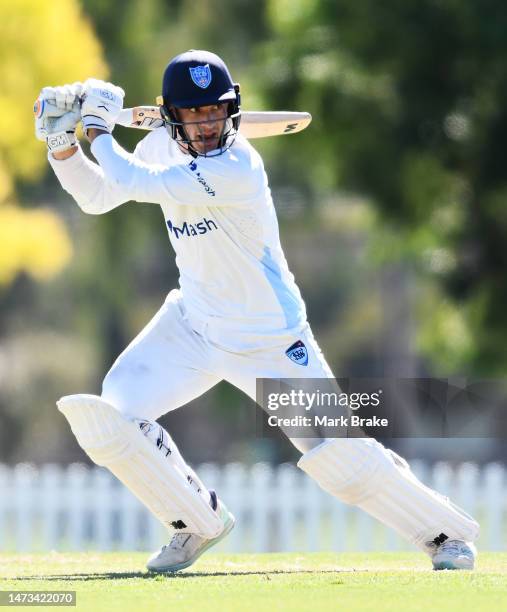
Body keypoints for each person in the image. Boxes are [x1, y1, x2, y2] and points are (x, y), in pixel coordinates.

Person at [35, 50, 479, 572]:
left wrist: (97, 127)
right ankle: (196, 523)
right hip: (192, 327)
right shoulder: (158, 146)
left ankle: (446, 536)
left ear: (232, 111)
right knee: (113, 416)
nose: (206, 125)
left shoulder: (239, 166)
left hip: (270, 340)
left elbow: (131, 180)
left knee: (342, 459)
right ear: (170, 115)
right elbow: (98, 196)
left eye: (215, 112)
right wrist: (63, 144)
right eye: (194, 114)